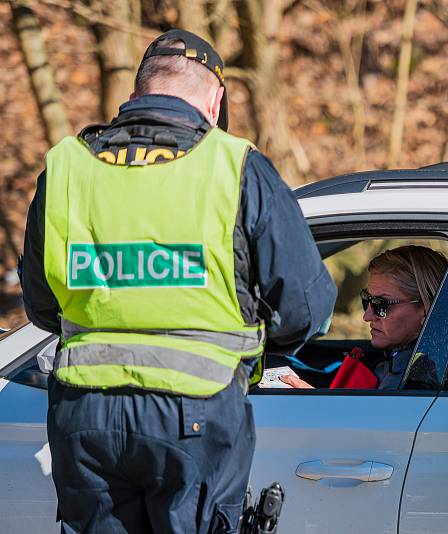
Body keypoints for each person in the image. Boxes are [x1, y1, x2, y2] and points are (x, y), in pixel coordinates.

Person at [20, 29, 336, 533]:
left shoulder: (66, 167)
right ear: (216, 101)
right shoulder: (233, 166)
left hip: (85, 416)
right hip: (195, 415)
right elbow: (304, 308)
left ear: (136, 94)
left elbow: (40, 306)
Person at [281, 245, 448, 390]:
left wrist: (315, 403)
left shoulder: (417, 380)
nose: (367, 316)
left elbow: (379, 423)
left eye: (381, 305)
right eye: (367, 300)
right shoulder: (401, 359)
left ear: (426, 310)